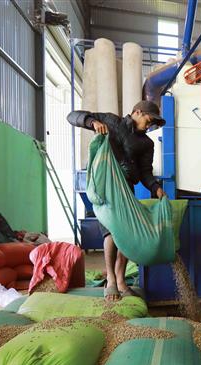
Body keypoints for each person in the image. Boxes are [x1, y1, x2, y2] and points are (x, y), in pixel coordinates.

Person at [67, 100, 166, 301]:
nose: (150, 125)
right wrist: (92, 122)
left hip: (126, 189)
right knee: (111, 232)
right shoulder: (112, 121)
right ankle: (111, 280)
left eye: (153, 123)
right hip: (105, 186)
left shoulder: (147, 144)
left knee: (126, 234)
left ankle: (121, 280)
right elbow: (72, 116)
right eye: (149, 120)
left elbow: (146, 172)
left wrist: (156, 188)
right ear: (137, 112)